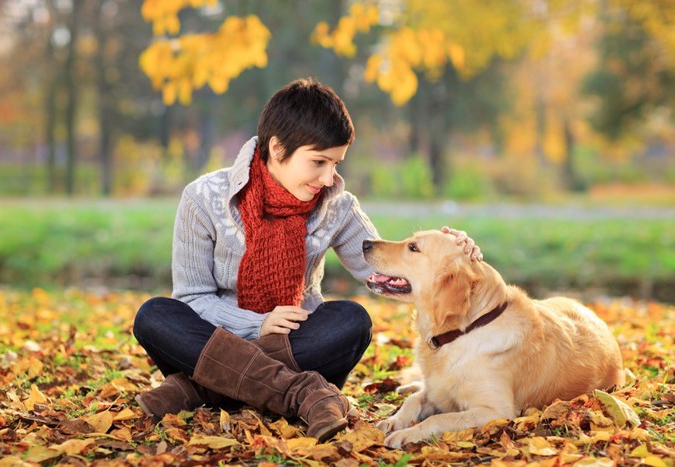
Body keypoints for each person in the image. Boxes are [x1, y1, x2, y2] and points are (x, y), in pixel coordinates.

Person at [132, 78, 482, 442]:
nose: (329, 177)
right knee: (155, 316)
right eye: (319, 162)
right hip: (219, 339)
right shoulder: (204, 199)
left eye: (335, 163)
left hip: (289, 343)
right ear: (278, 147)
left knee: (351, 321)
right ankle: (303, 393)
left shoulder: (337, 206)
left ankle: (197, 390)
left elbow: (383, 266)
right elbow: (192, 299)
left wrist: (450, 253)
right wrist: (258, 324)